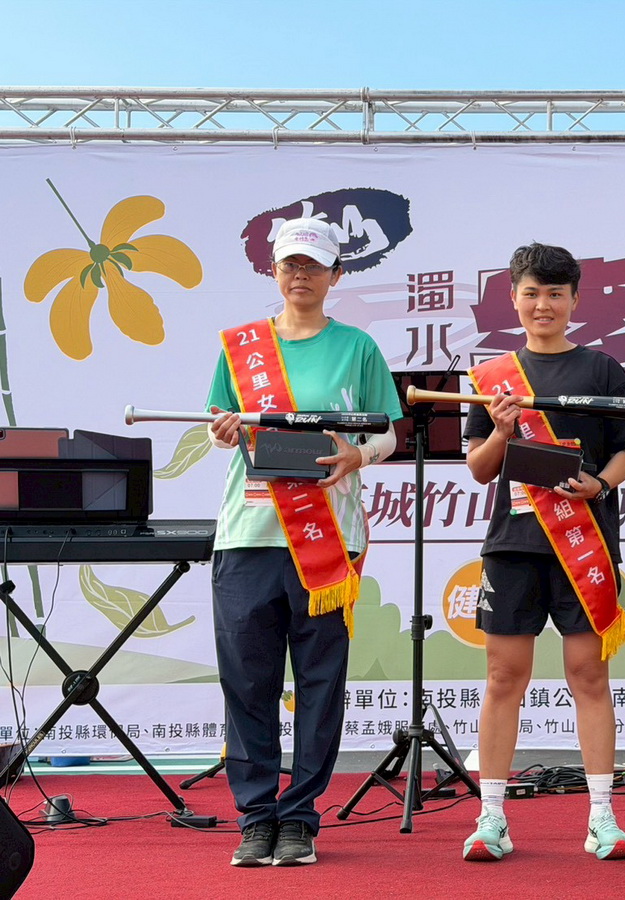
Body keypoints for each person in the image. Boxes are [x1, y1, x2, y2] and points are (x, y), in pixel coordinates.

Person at [206, 217, 404, 867]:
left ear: (336, 275)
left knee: (319, 682)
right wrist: (223, 431)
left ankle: (300, 818)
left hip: (326, 539)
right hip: (249, 536)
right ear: (273, 270)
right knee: (248, 682)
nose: (300, 275)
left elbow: (387, 433)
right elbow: (217, 426)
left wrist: (356, 456)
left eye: (314, 265)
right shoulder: (242, 347)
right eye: (290, 263)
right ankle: (255, 816)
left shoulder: (357, 348)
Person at [461, 242, 625, 862]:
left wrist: (602, 485)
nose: (544, 305)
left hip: (584, 543)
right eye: (532, 293)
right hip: (514, 546)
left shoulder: (603, 369)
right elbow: (480, 468)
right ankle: (491, 818)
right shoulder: (492, 377)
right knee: (502, 677)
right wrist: (502, 429)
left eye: (556, 294)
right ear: (513, 298)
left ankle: (602, 817)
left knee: (589, 674)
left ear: (574, 300)